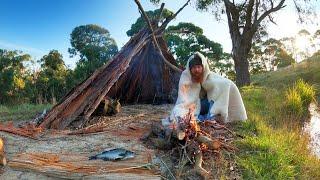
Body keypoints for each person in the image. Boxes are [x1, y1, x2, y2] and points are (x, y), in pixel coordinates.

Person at [162, 52, 247, 128]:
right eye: (194, 67)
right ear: (190, 69)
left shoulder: (209, 76)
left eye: (199, 67)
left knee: (217, 95)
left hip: (208, 106)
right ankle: (200, 118)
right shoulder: (185, 77)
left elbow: (225, 84)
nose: (197, 70)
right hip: (193, 106)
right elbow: (183, 98)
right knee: (178, 112)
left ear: (203, 67)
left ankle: (211, 118)